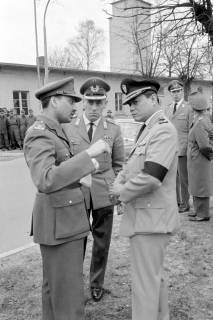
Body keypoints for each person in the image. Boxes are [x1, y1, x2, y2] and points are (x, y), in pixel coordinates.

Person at [23, 76, 111, 320]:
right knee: (68, 295)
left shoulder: (55, 130)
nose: (75, 106)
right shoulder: (39, 133)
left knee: (56, 292)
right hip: (59, 225)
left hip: (64, 221)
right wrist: (88, 157)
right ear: (53, 101)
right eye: (70, 100)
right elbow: (45, 179)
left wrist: (81, 174)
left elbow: (60, 170)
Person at [110, 78, 179, 320]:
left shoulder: (162, 129)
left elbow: (152, 177)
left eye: (136, 101)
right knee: (154, 281)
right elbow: (134, 166)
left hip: (151, 220)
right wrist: (121, 181)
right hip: (147, 217)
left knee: (145, 287)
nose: (131, 108)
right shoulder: (149, 128)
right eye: (128, 104)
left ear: (153, 99)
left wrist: (120, 192)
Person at [63, 77, 125, 302]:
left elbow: (119, 165)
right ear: (82, 103)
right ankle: (71, 282)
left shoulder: (114, 130)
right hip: (77, 191)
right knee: (75, 240)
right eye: (90, 102)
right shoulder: (68, 128)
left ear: (105, 103)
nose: (94, 108)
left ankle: (96, 283)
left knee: (101, 240)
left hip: (102, 192)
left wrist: (115, 190)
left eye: (99, 103)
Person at [164, 80, 192, 213]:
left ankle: (185, 204)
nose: (176, 94)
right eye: (173, 92)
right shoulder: (168, 108)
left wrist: (188, 148)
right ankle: (176, 202)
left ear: (182, 91)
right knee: (172, 178)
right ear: (170, 93)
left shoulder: (188, 108)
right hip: (170, 149)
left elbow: (191, 130)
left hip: (183, 148)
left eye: (178, 91)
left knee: (184, 178)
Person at [187, 92, 213, 222]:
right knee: (196, 184)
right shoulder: (201, 119)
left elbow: (204, 146)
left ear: (194, 107)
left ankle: (203, 214)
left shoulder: (200, 122)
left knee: (201, 185)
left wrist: (209, 157)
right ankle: (198, 210)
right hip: (197, 159)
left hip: (200, 159)